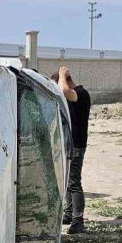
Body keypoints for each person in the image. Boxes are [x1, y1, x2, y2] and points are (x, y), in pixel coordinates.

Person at [53, 66, 91, 234]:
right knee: (67, 180)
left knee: (74, 182)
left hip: (76, 144)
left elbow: (64, 90)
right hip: (68, 143)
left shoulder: (81, 93)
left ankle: (78, 220)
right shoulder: (71, 95)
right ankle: (68, 214)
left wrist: (61, 74)